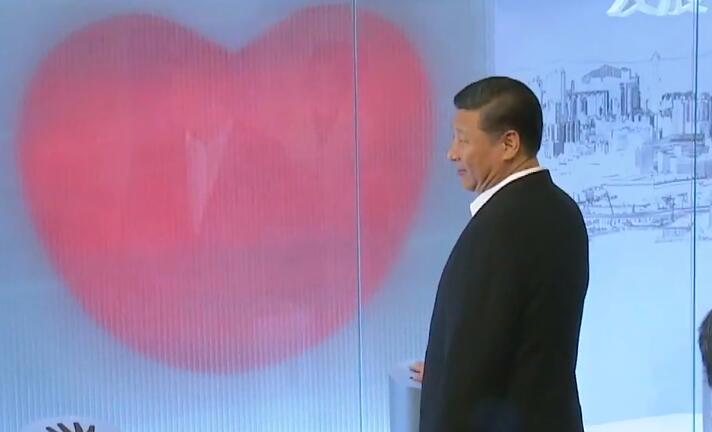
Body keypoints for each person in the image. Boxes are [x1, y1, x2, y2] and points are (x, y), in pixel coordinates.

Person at [414, 76, 590, 432]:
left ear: (509, 143)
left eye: (463, 139)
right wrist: (444, 370)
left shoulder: (498, 230)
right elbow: (521, 343)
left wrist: (450, 380)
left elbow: (475, 368)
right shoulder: (562, 209)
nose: (452, 153)